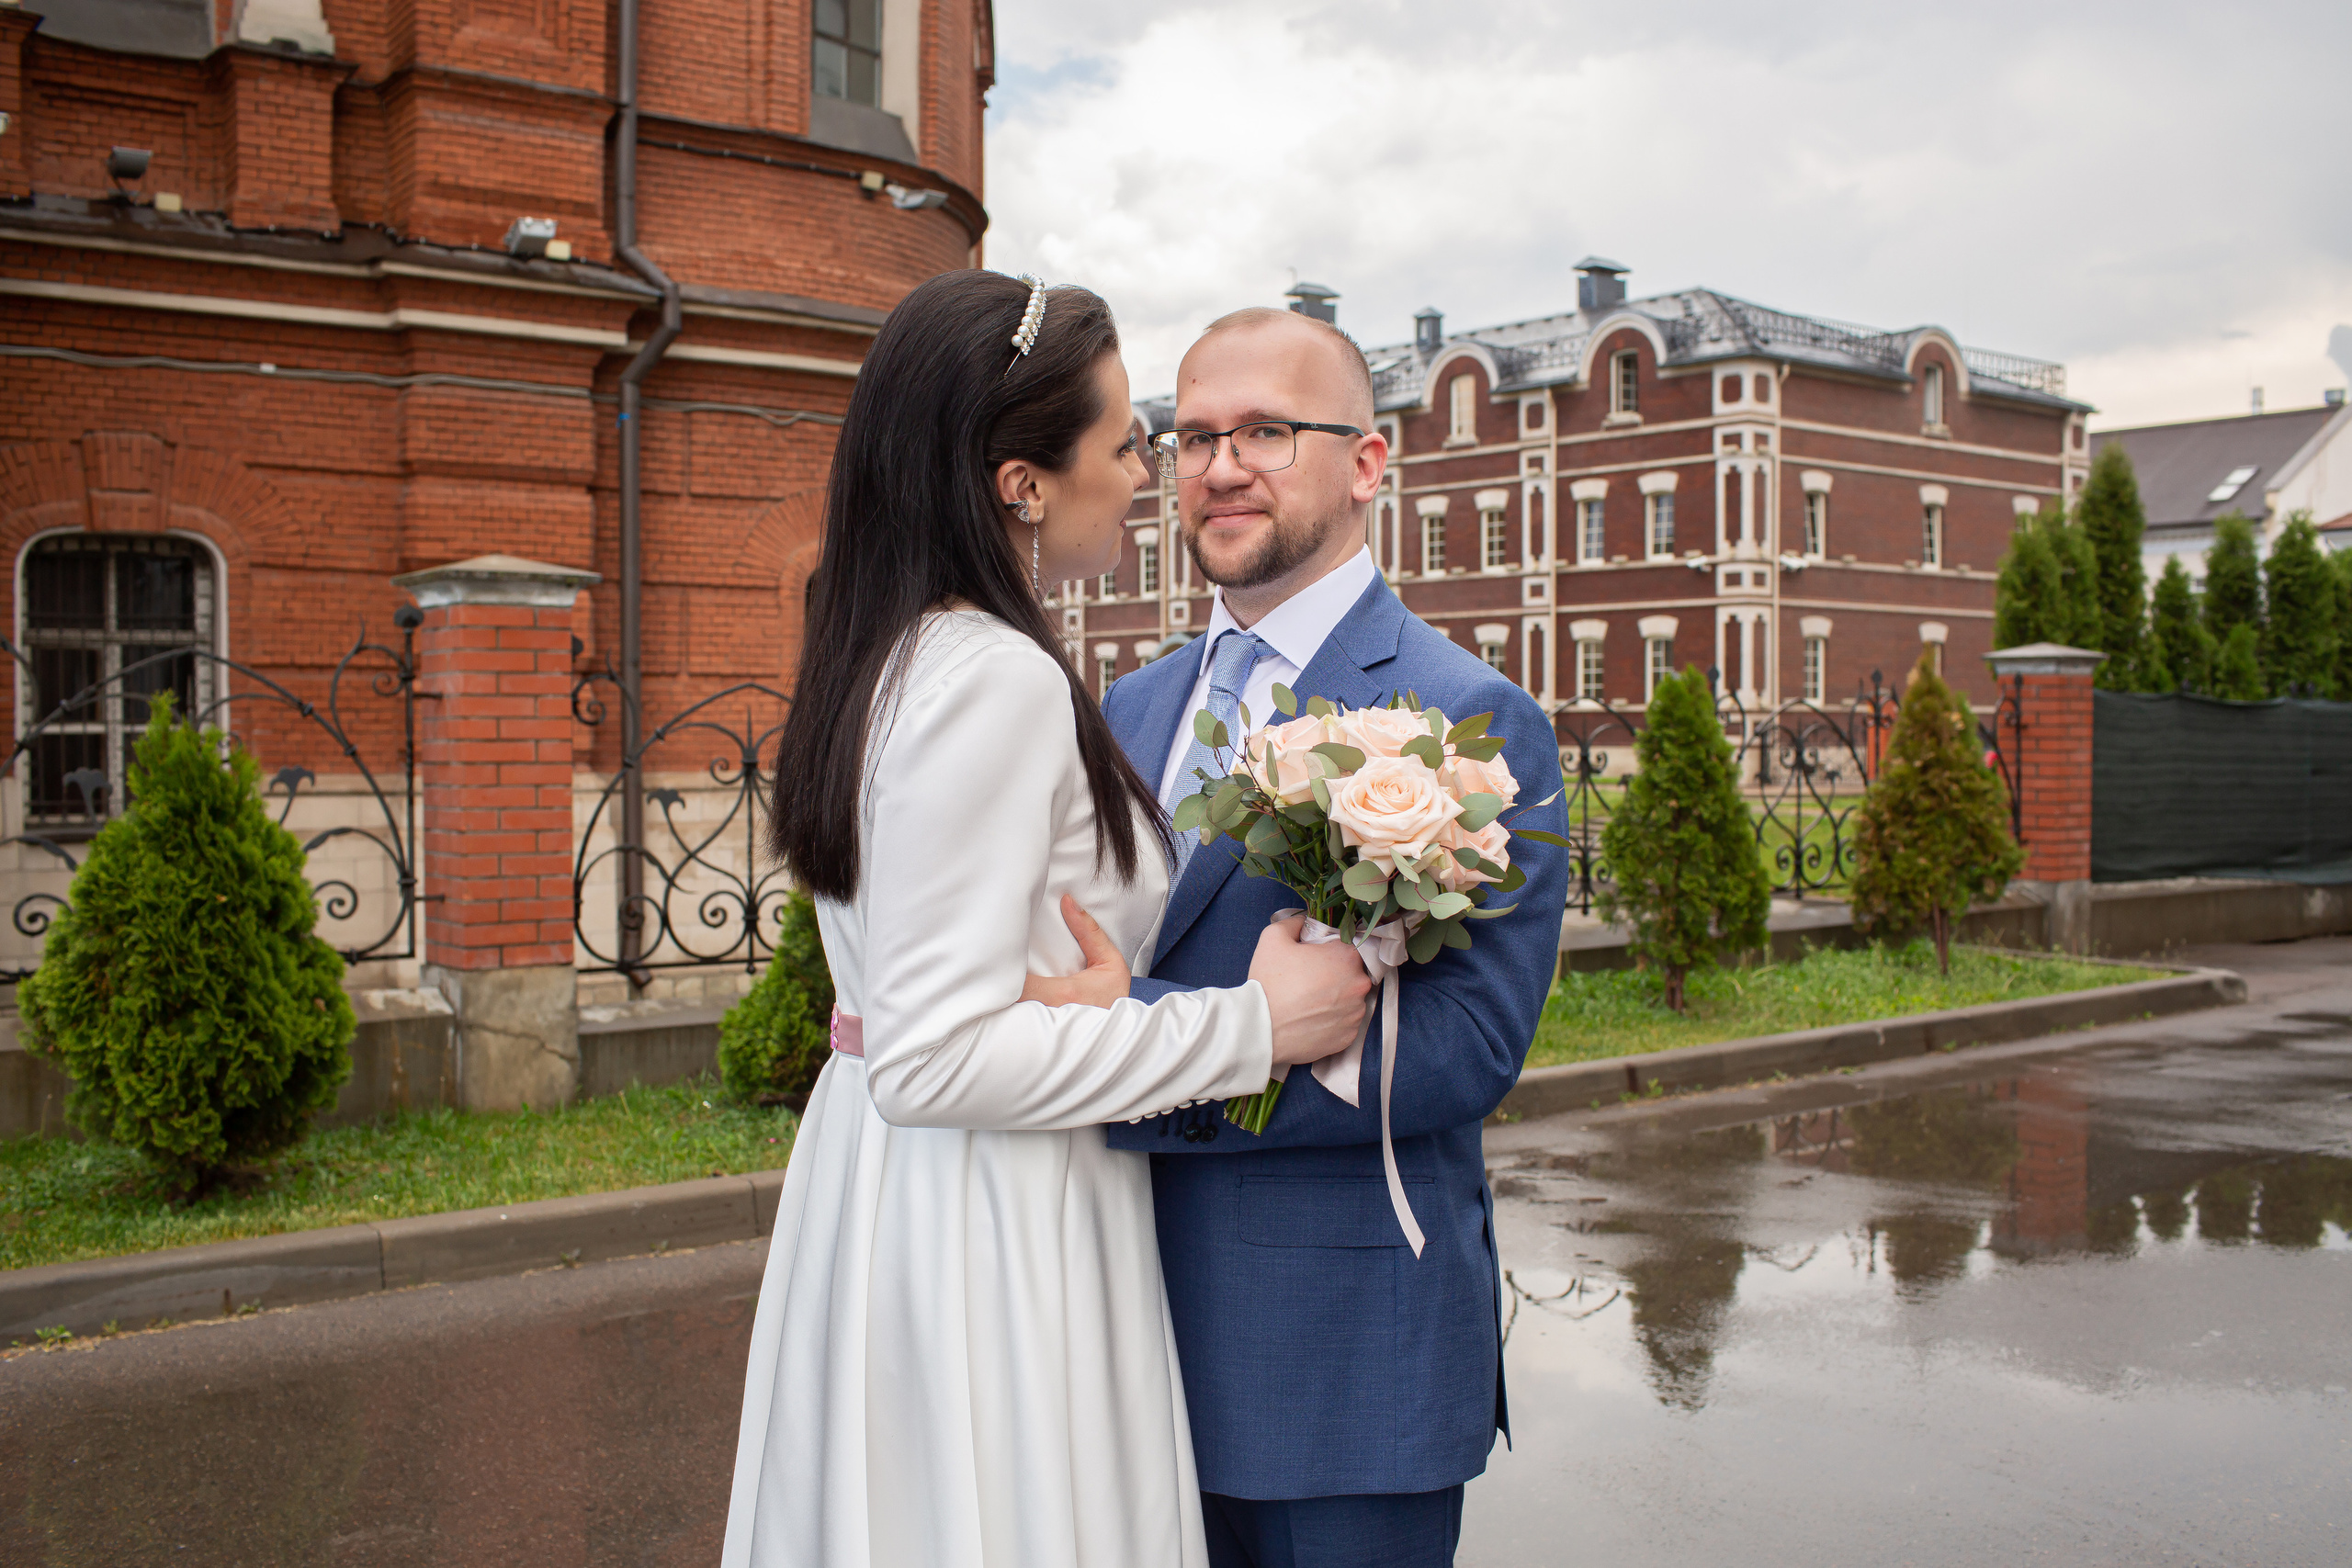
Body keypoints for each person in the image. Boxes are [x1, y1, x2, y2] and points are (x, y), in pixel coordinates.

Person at [721, 271, 1374, 1568]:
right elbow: (937, 1056)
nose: (1151, 472)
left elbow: (910, 1015)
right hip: (993, 1205)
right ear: (1022, 482)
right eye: (1129, 439)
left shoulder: (889, 654)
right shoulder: (993, 680)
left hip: (890, 1190)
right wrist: (1252, 1027)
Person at [1099, 308, 1572, 1567]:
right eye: (1192, 436)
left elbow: (1468, 1046)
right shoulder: (1123, 712)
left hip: (1337, 1355)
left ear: (1367, 464)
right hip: (1106, 1328)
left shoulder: (1469, 720)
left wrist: (1140, 1078)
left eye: (1265, 429)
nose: (1219, 465)